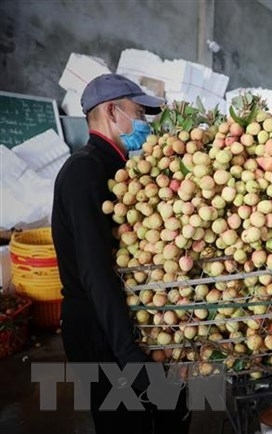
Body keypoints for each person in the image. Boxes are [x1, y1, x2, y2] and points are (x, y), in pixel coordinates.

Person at [52, 74, 190, 434]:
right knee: (127, 426)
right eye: (139, 112)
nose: (144, 123)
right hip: (101, 330)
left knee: (172, 417)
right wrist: (127, 354)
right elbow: (95, 271)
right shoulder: (84, 172)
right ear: (113, 112)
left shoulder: (123, 169)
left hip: (128, 322)